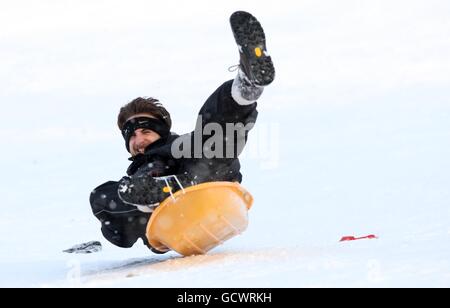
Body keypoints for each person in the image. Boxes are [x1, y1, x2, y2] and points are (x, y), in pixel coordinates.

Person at [89, 11, 275, 253]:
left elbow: (213, 146)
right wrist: (138, 196)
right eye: (131, 136)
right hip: (177, 223)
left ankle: (248, 85)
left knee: (211, 133)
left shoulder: (184, 146)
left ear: (162, 131)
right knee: (105, 194)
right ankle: (160, 196)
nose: (138, 140)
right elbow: (121, 236)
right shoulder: (136, 176)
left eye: (145, 131)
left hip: (209, 186)